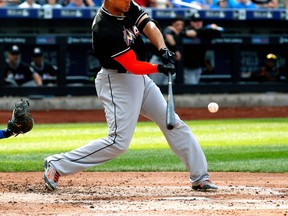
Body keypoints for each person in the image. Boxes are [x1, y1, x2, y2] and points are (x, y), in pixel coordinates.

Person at [43, 0, 218, 192]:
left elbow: (148, 24)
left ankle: (200, 177)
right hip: (117, 82)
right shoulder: (104, 28)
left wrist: (162, 49)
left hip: (140, 80)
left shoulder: (126, 5)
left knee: (173, 123)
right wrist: (158, 67)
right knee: (118, 142)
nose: (128, 2)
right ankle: (57, 164)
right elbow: (132, 65)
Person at [183, 13, 223, 84]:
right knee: (191, 88)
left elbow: (219, 32)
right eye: (195, 21)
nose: (198, 23)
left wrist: (213, 28)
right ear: (191, 22)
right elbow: (189, 33)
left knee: (195, 86)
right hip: (187, 66)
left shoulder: (204, 31)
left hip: (198, 66)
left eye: (199, 21)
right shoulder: (187, 29)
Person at [149, 16, 185, 85]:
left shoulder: (180, 33)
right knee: (155, 85)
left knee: (168, 85)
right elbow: (169, 38)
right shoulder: (168, 30)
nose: (180, 27)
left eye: (182, 25)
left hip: (169, 63)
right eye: (177, 25)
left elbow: (192, 33)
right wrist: (176, 50)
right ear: (173, 24)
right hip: (158, 61)